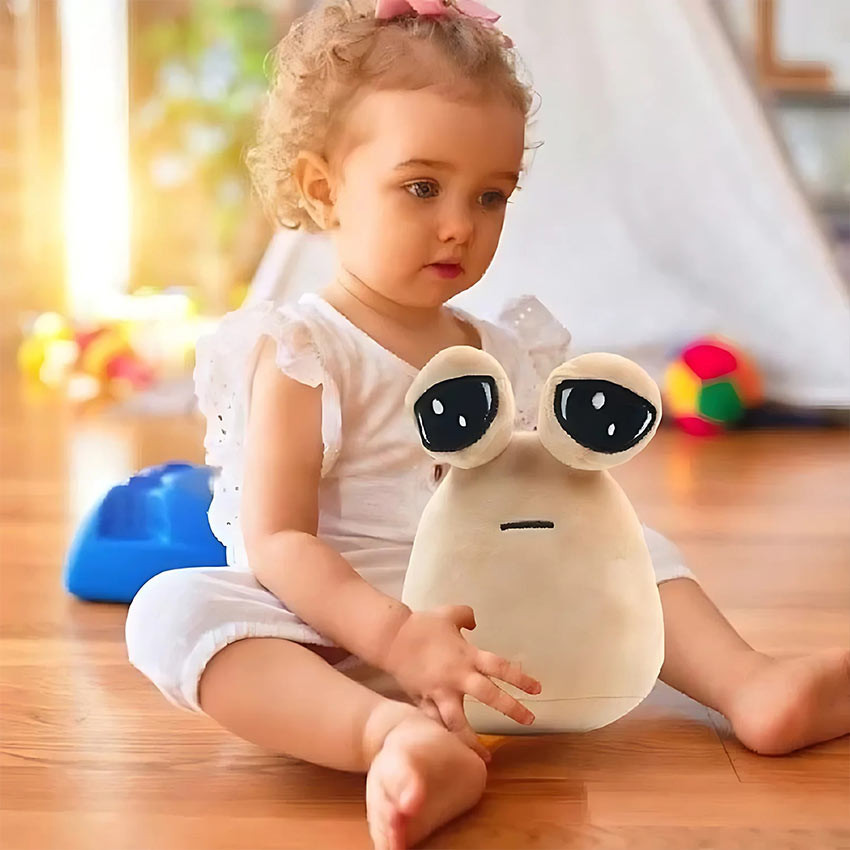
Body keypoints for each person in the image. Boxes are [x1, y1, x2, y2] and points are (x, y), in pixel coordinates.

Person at [125, 2, 850, 848]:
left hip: (489, 631)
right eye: (421, 187)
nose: (459, 225)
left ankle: (750, 685)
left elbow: (545, 503)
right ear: (324, 189)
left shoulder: (504, 349)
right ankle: (391, 737)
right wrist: (396, 636)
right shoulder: (304, 350)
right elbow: (281, 540)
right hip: (336, 638)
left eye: (491, 195)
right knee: (170, 609)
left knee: (631, 538)